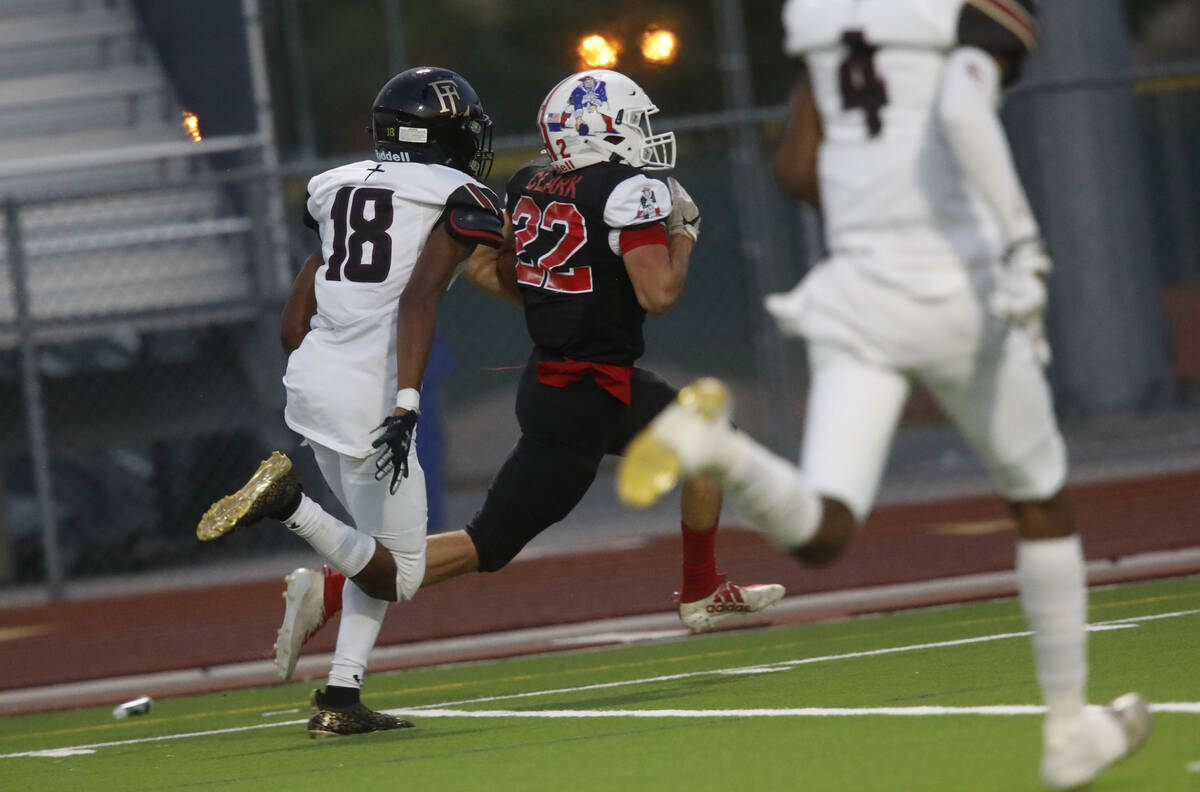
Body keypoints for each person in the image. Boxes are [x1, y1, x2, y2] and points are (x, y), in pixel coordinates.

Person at [616, 2, 1152, 789]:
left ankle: (719, 447)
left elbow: (798, 168)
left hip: (858, 291)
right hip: (957, 289)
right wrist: (1022, 244)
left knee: (824, 530)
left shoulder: (821, 18)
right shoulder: (965, 14)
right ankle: (1069, 725)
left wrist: (877, 213)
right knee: (1040, 501)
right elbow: (967, 107)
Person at [201, 68, 787, 703]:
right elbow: (660, 292)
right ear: (601, 130)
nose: (645, 137)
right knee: (489, 543)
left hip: (581, 380)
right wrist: (685, 232)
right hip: (579, 397)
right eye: (634, 123)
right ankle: (334, 585)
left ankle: (701, 588)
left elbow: (492, 270)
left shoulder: (529, 182)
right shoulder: (626, 191)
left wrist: (557, 295)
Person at [197, 66, 514, 737]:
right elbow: (418, 299)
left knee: (375, 550)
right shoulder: (457, 194)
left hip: (312, 378)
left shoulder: (335, 186)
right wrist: (405, 403)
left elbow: (293, 323)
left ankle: (341, 698)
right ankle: (289, 506)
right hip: (371, 393)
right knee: (402, 573)